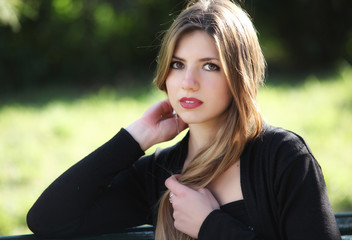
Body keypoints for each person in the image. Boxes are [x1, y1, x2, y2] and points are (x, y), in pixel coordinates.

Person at [26, 0, 341, 239]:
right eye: (178, 64)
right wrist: (134, 139)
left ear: (240, 76)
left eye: (209, 66)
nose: (188, 82)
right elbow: (48, 219)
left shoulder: (282, 157)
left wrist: (210, 226)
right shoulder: (159, 173)